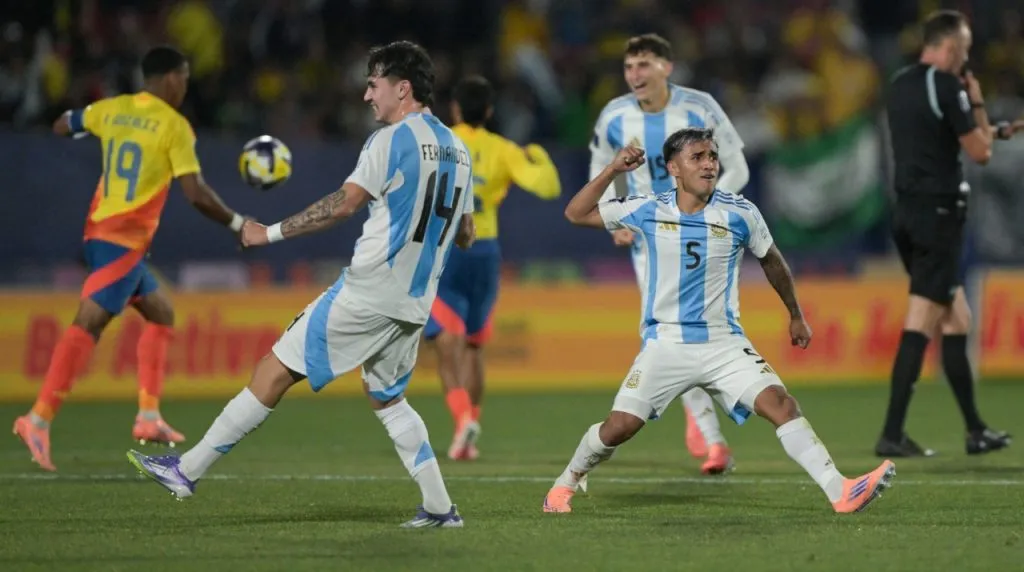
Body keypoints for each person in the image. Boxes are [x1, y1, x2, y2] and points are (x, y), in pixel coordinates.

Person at [126, 41, 475, 529]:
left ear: (403, 89)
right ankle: (440, 508)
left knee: (273, 370)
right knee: (388, 399)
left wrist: (266, 232)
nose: (367, 96)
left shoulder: (390, 141)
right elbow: (466, 232)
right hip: (415, 303)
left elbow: (342, 205)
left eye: (373, 85)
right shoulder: (460, 150)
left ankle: (186, 471)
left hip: (369, 292)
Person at [543, 127, 896, 515]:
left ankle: (840, 491)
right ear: (673, 168)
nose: (709, 164)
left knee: (781, 405)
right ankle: (566, 482)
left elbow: (772, 260)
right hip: (666, 344)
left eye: (712, 156)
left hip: (723, 342)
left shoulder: (740, 212)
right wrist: (613, 170)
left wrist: (795, 314)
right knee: (619, 427)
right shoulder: (647, 208)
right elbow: (576, 213)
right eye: (697, 157)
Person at [12, 46, 247, 472]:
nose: (186, 86)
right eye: (185, 78)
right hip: (121, 241)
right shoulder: (174, 126)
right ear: (171, 78)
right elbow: (195, 193)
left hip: (100, 232)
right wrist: (237, 224)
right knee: (89, 322)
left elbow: (63, 123)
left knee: (161, 312)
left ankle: (149, 415)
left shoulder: (114, 109)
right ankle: (38, 419)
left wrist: (84, 128)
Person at [590, 33, 751, 474]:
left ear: (667, 67)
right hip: (654, 247)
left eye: (644, 64)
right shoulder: (615, 116)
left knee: (715, 329)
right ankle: (711, 437)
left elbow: (737, 167)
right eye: (628, 67)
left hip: (711, 239)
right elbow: (600, 171)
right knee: (672, 334)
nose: (634, 74)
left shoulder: (699, 108)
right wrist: (615, 219)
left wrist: (711, 211)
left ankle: (723, 411)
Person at [877, 10, 1023, 457]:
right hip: (937, 215)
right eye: (965, 48)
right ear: (951, 45)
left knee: (957, 318)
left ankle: (975, 430)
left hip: (907, 212)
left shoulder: (899, 83)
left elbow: (938, 135)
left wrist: (996, 130)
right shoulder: (946, 85)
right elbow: (978, 152)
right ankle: (892, 433)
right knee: (922, 315)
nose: (967, 57)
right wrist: (976, 102)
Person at [423, 75, 561, 461]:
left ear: (454, 109)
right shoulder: (503, 149)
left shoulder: (439, 142)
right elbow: (548, 188)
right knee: (474, 345)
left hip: (446, 250)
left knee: (446, 346)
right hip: (485, 252)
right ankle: (468, 436)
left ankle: (462, 419)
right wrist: (539, 155)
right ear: (488, 111)